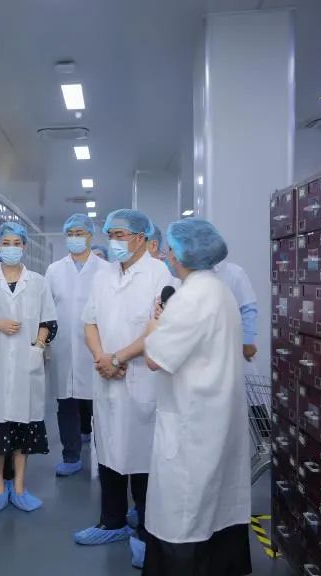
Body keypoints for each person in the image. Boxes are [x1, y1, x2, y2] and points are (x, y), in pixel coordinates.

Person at [139, 219, 252, 575]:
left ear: (183, 254)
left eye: (170, 250)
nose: (167, 256)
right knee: (214, 507)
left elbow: (155, 358)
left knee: (184, 512)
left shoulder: (190, 298)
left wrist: (155, 323)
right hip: (215, 416)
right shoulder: (219, 289)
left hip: (192, 423)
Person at [74, 209, 174, 551]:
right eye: (111, 235)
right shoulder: (103, 275)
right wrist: (102, 358)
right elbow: (89, 322)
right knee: (109, 451)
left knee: (143, 455)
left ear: (142, 238)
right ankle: (112, 521)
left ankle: (147, 530)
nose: (114, 241)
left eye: (120, 235)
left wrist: (117, 358)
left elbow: (157, 330)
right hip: (106, 375)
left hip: (140, 377)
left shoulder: (160, 275)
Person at [0, 221, 57, 513]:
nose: (11, 248)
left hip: (26, 366)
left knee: (24, 428)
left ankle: (19, 486)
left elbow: (48, 321)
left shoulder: (38, 282)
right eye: (5, 243)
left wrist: (38, 346)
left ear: (24, 247)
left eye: (16, 243)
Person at [44, 214, 106, 477]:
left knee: (98, 406)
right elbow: (46, 308)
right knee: (66, 404)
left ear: (90, 235)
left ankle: (106, 456)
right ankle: (71, 457)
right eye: (70, 234)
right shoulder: (54, 270)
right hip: (63, 347)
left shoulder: (105, 269)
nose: (75, 238)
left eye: (80, 233)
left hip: (96, 347)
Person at [214, 260, 259, 361]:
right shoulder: (188, 272)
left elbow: (248, 307)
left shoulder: (234, 272)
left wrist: (248, 340)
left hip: (229, 342)